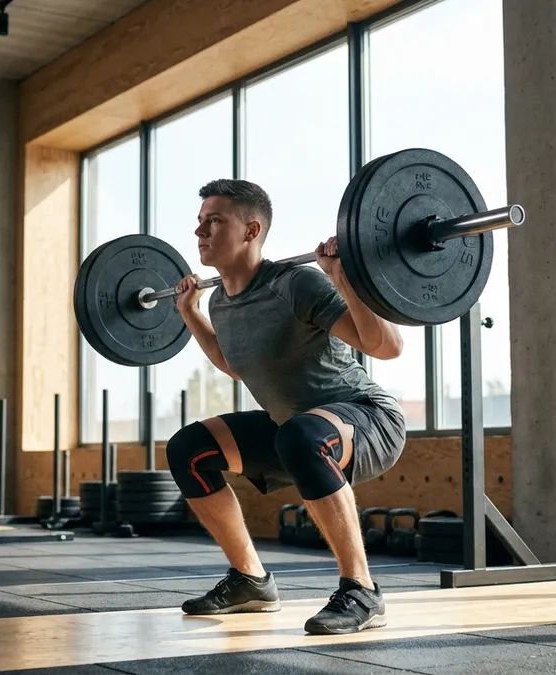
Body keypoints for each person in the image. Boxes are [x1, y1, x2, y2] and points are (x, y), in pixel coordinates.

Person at [165, 178, 407, 635]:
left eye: (214, 221)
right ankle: (250, 581)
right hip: (293, 427)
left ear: (251, 230)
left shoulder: (296, 283)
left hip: (367, 417)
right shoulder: (220, 302)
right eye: (199, 221)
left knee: (301, 435)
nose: (200, 231)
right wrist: (190, 313)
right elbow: (236, 365)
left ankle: (362, 590)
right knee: (188, 449)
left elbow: (387, 346)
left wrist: (343, 279)